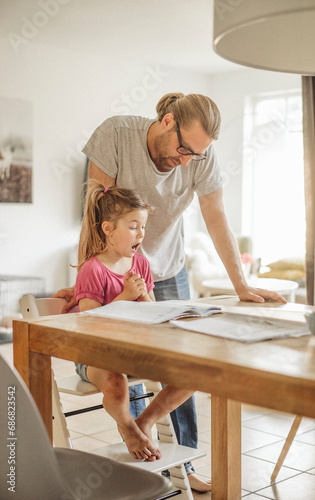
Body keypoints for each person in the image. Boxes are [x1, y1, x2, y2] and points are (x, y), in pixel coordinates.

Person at [54, 92, 286, 492]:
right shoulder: (116, 135)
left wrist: (241, 285)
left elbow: (215, 217)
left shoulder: (200, 155)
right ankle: (141, 454)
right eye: (182, 149)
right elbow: (94, 216)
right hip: (114, 268)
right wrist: (86, 280)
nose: (184, 162)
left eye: (194, 156)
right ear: (166, 120)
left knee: (186, 361)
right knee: (127, 365)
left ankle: (182, 460)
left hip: (163, 268)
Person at [74, 180, 194, 461]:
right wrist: (127, 295)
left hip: (134, 351)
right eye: (132, 226)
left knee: (193, 373)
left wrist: (142, 299)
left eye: (143, 226)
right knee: (116, 384)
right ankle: (129, 428)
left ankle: (146, 421)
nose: (141, 233)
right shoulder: (92, 270)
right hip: (94, 356)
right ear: (108, 229)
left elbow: (152, 313)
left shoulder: (141, 264)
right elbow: (87, 326)